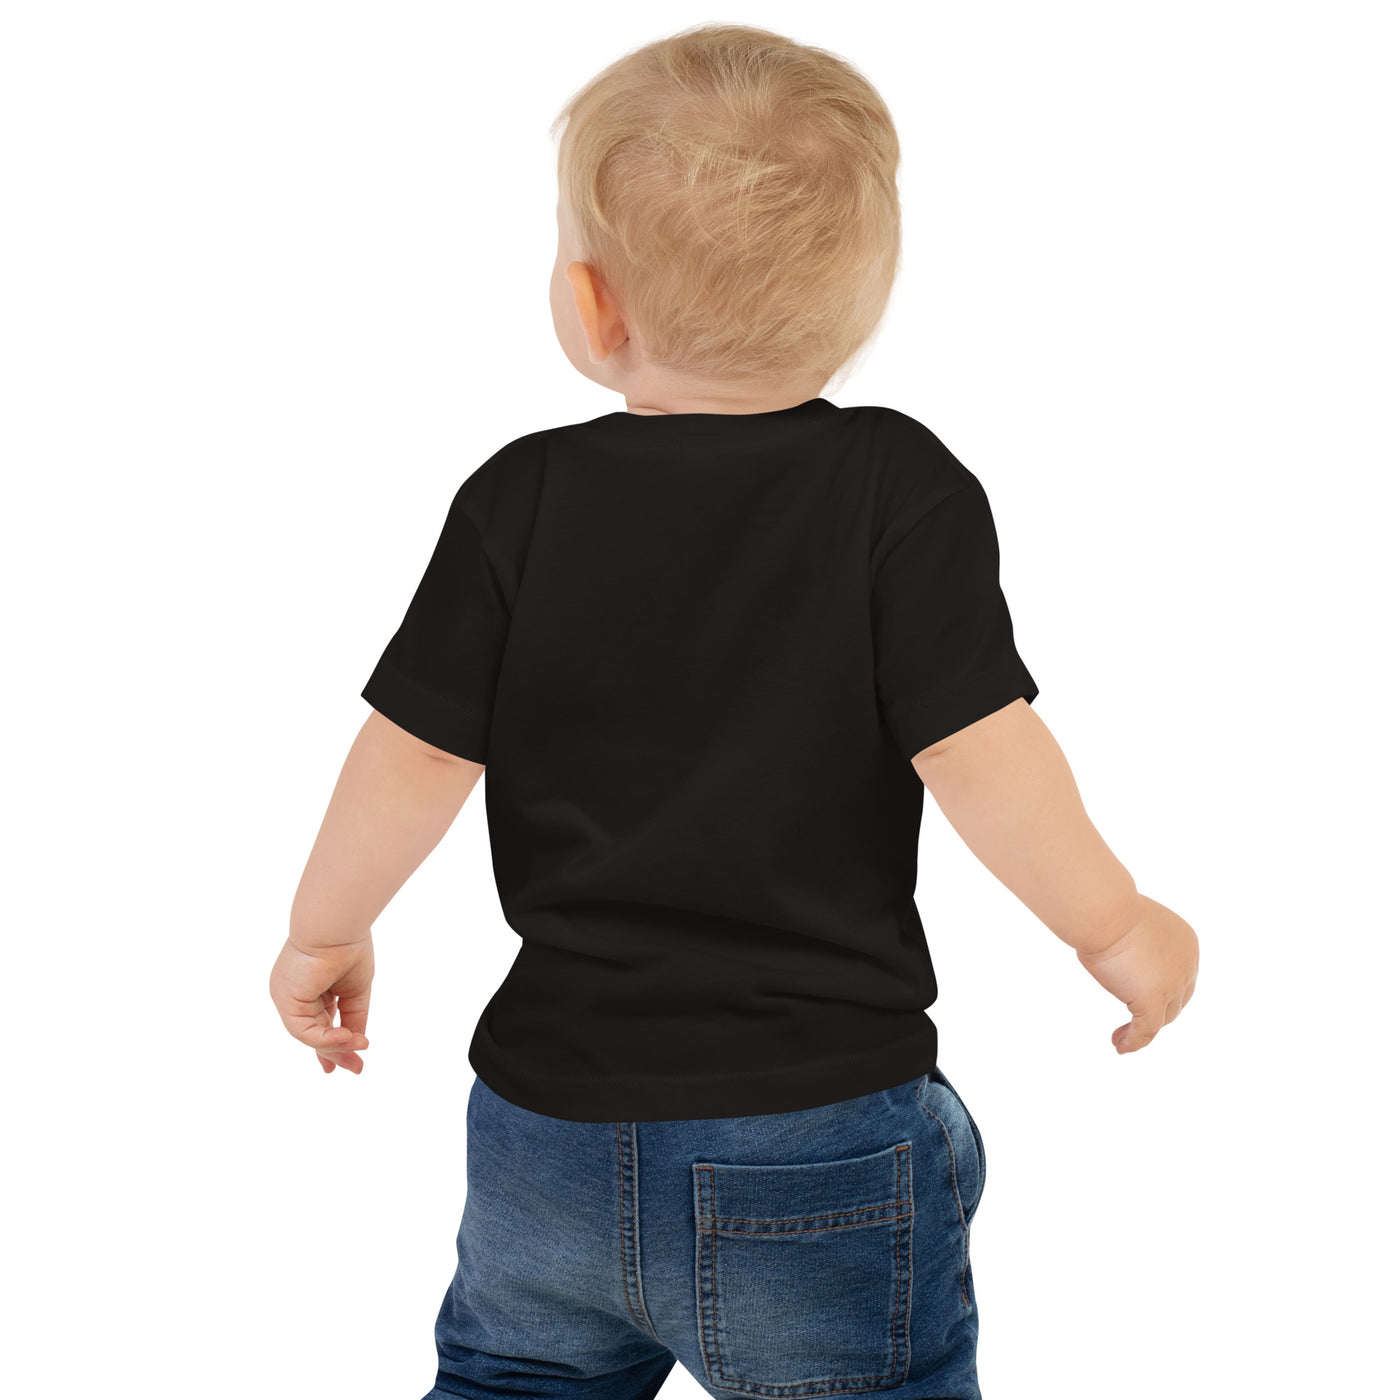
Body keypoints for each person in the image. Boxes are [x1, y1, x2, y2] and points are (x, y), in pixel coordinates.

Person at [269, 22, 1198, 1400]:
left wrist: (323, 932)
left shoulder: (520, 501)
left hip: (548, 1135)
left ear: (592, 307)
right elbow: (982, 747)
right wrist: (1115, 924)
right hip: (814, 1130)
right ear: (863, 302)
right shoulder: (901, 490)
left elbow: (408, 753)